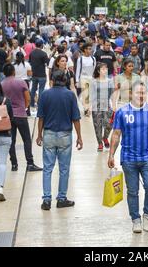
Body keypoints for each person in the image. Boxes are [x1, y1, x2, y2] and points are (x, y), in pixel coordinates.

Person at [108, 81, 148, 234]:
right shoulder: (122, 112)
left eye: (143, 93)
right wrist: (111, 154)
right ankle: (135, 219)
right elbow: (116, 134)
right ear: (131, 94)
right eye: (137, 93)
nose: (141, 96)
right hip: (128, 158)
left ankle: (147, 214)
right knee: (133, 191)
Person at [36, 70, 83, 211]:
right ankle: (61, 198)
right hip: (65, 135)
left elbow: (41, 117)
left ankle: (46, 199)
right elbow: (76, 118)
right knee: (64, 169)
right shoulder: (70, 95)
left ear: (52, 79)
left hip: (49, 134)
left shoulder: (45, 95)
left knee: (47, 169)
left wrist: (39, 134)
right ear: (65, 80)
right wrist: (79, 137)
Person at [2, 64, 42, 172]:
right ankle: (30, 163)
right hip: (20, 114)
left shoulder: (1, 84)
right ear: (14, 71)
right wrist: (24, 107)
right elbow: (28, 98)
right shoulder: (21, 82)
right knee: (26, 139)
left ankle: (14, 164)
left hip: (8, 115)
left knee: (11, 140)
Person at [90, 63, 115, 152]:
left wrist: (114, 105)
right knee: (97, 125)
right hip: (96, 106)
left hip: (107, 105)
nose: (105, 70)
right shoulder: (93, 82)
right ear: (98, 71)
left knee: (109, 124)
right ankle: (100, 143)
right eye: (103, 69)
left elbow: (113, 94)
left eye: (106, 69)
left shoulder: (110, 81)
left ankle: (105, 137)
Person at [76, 43, 96, 117]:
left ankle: (86, 108)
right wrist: (77, 80)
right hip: (83, 78)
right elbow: (78, 70)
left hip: (91, 78)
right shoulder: (80, 59)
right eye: (88, 49)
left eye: (90, 49)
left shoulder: (93, 59)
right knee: (86, 95)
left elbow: (94, 69)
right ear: (84, 50)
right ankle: (86, 109)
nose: (90, 50)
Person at [29, 39, 49, 110]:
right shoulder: (43, 54)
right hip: (42, 74)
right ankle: (39, 105)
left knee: (33, 89)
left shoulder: (32, 53)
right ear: (41, 45)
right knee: (41, 90)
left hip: (34, 74)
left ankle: (31, 103)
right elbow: (47, 63)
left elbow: (30, 62)